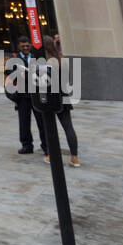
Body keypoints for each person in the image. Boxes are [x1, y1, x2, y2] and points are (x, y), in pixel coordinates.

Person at [36, 35, 78, 167]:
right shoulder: (61, 59)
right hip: (63, 95)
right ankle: (74, 157)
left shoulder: (45, 62)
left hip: (50, 97)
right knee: (68, 127)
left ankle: (50, 155)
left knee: (49, 126)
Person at [6, 40, 46, 156]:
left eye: (27, 45)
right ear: (19, 46)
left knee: (42, 122)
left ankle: (46, 146)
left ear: (31, 46)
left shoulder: (36, 57)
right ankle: (27, 145)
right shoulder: (13, 59)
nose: (25, 47)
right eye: (23, 45)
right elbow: (8, 73)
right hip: (22, 96)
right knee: (24, 122)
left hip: (36, 94)